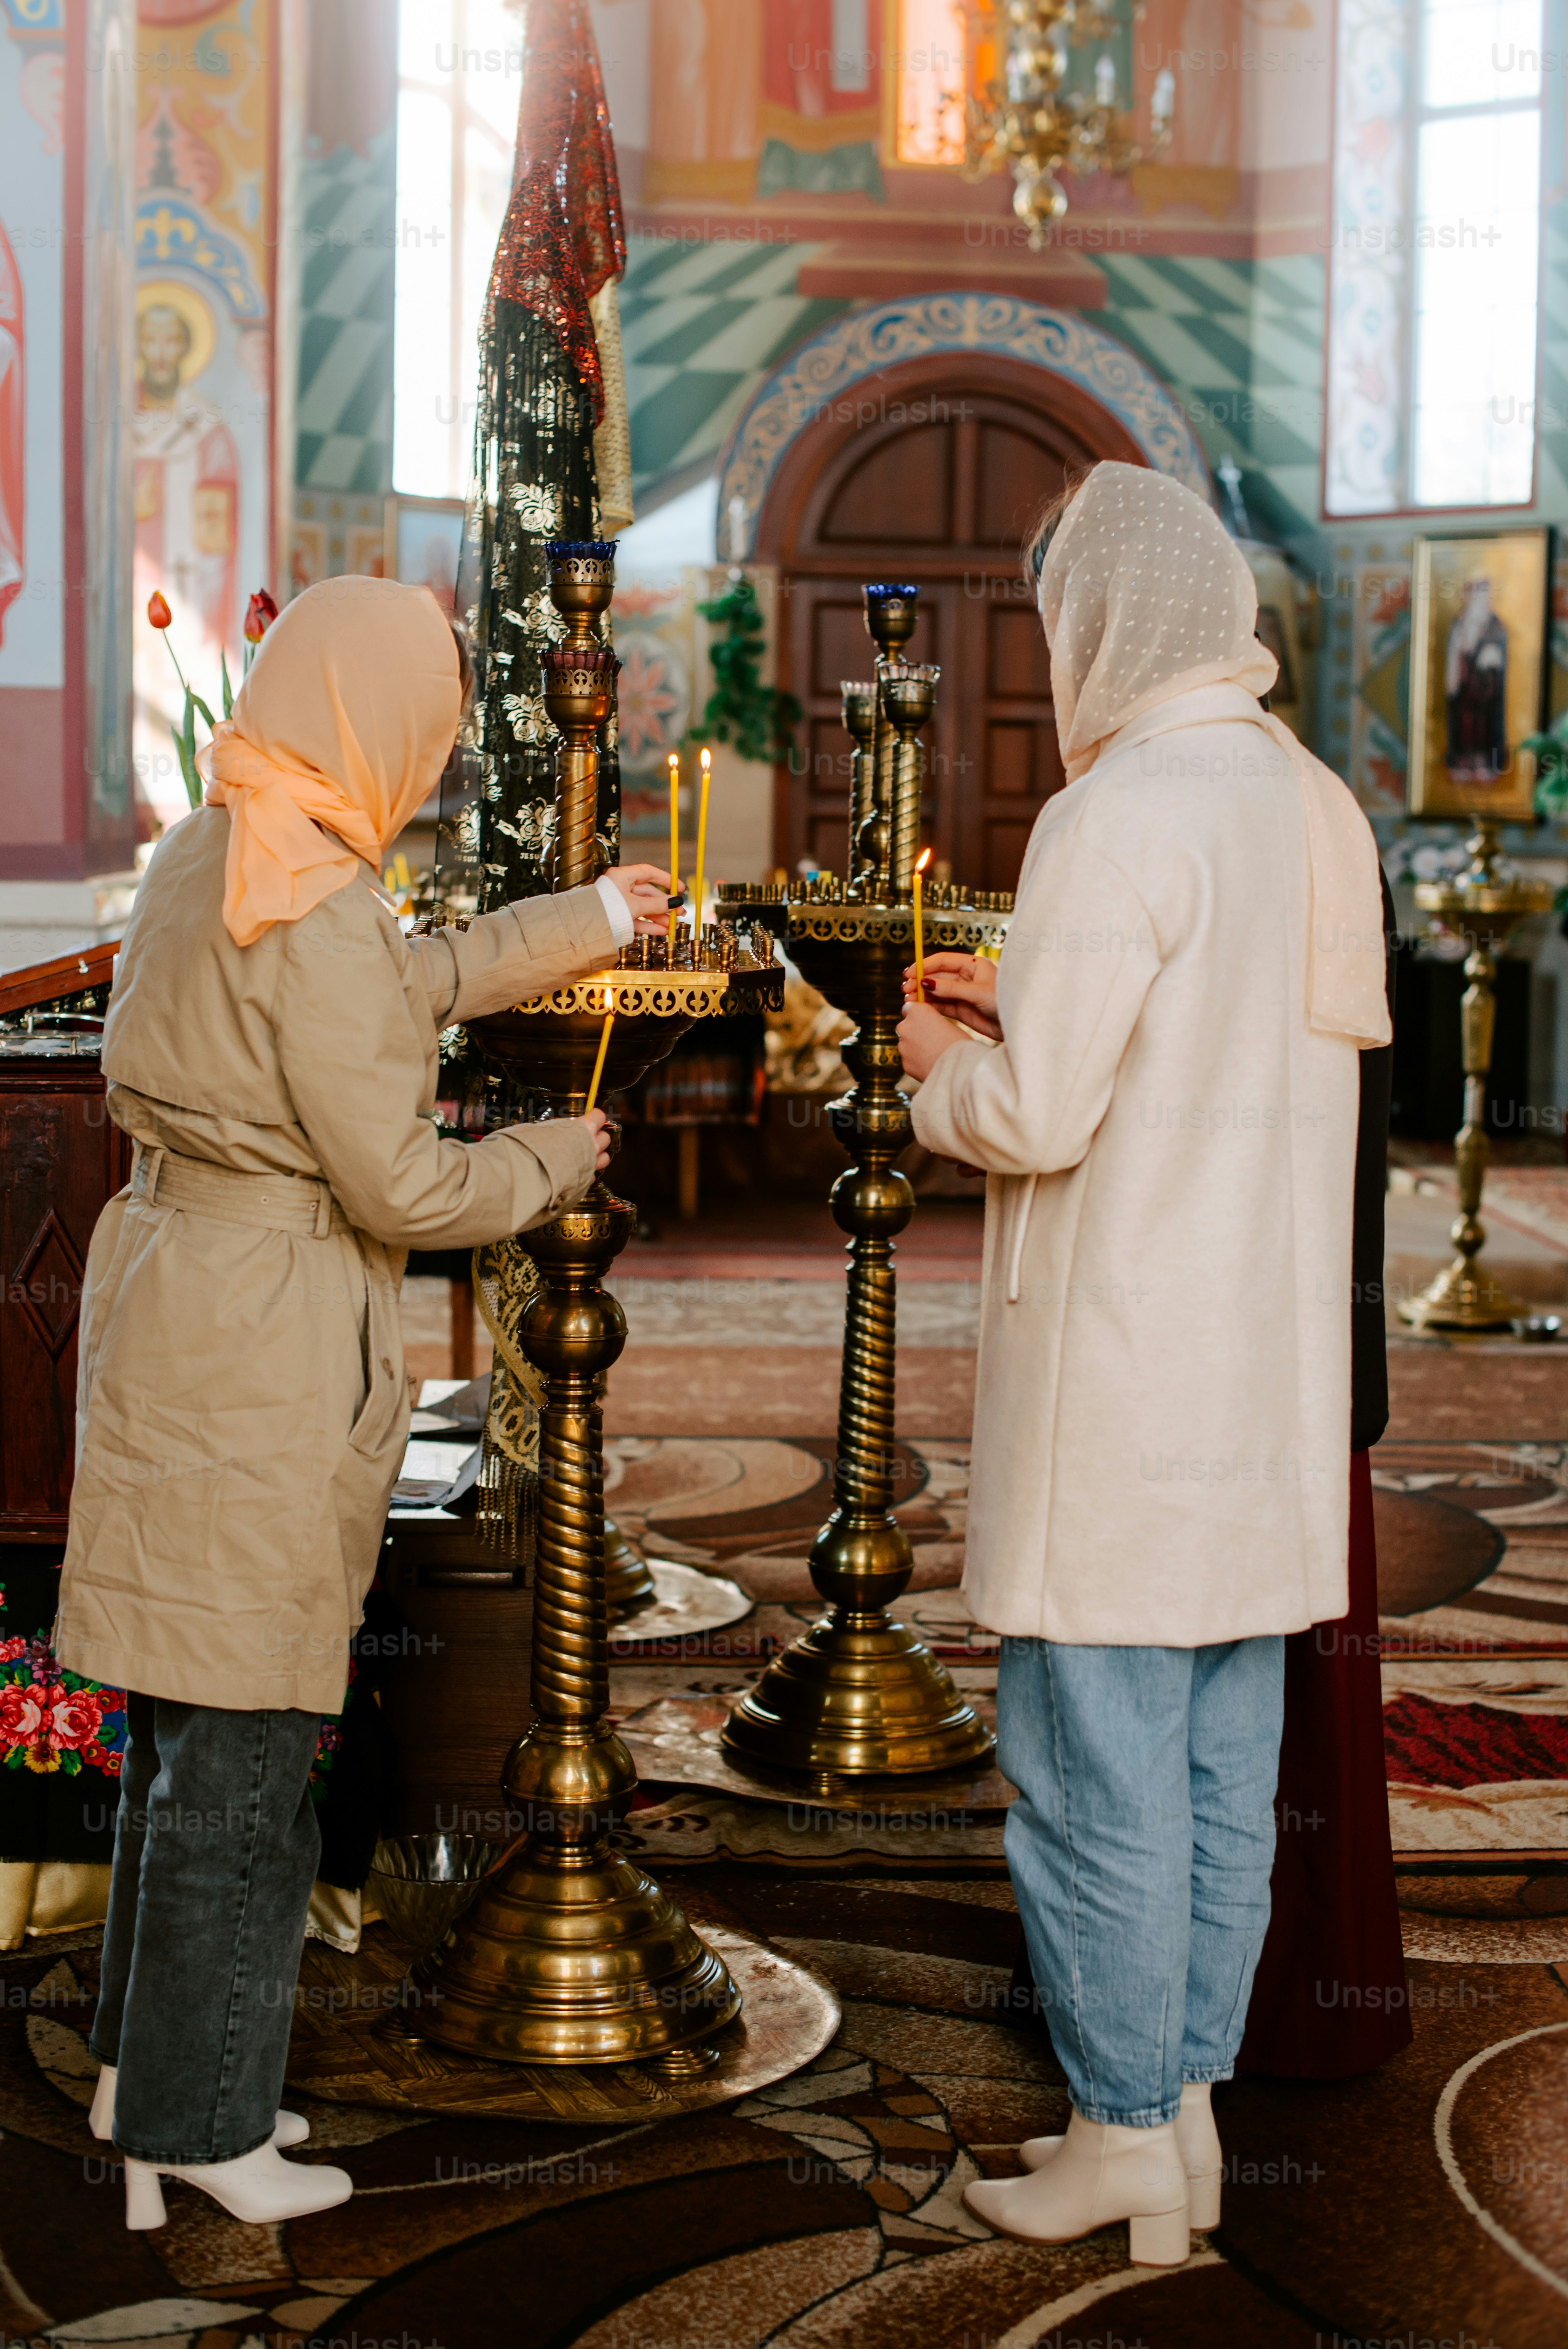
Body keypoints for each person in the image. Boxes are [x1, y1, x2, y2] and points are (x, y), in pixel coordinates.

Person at [52, 576, 670, 2233]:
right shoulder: (314, 899)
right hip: (263, 1334)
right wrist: (552, 1158)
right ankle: (201, 2126)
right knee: (253, 1762)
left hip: (173, 1294)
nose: (436, 752)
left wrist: (588, 916)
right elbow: (403, 1184)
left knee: (184, 1736)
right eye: (434, 721)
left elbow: (402, 981)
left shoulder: (213, 847)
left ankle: (138, 2075)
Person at [896, 462, 1391, 2264]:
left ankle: (1116, 2130)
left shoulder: (1112, 811)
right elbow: (1216, 1047)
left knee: (1089, 1769)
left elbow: (1034, 1115)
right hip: (1261, 1390)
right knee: (1216, 1774)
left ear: (1098, 621)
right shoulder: (1309, 802)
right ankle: (1178, 2116)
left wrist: (933, 1060)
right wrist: (1025, 999)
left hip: (1125, 1381)